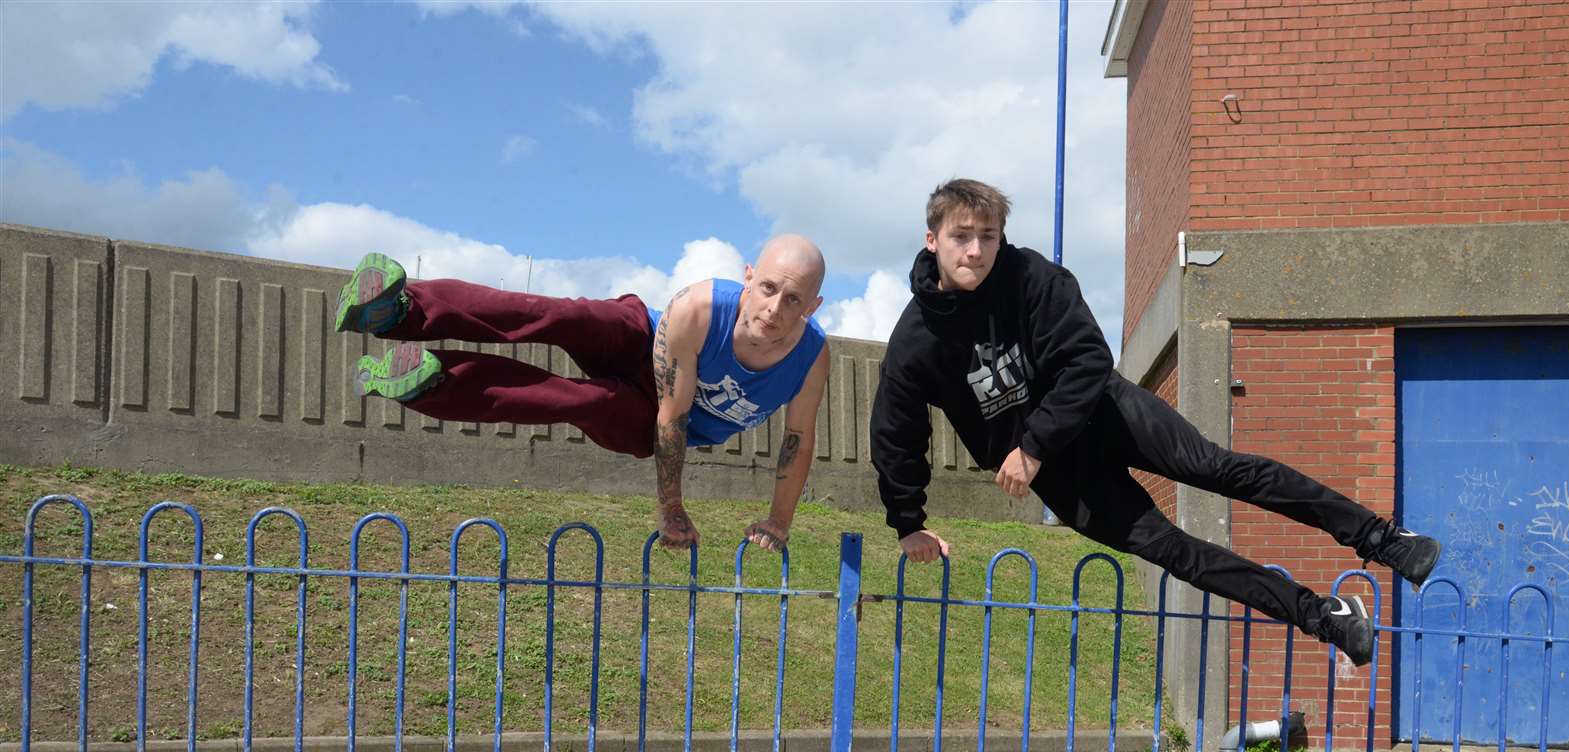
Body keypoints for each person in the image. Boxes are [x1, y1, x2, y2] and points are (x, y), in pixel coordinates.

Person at [868, 179, 1441, 666]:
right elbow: (895, 434)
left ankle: (1382, 539)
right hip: (1066, 475)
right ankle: (1327, 618)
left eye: (987, 237)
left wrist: (1033, 444)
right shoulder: (917, 341)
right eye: (960, 237)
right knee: (1176, 551)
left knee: (1217, 468)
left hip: (1103, 412)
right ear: (932, 240)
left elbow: (1089, 357)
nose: (974, 251)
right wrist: (907, 522)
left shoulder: (1028, 277)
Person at [332, 237, 831, 552]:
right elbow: (675, 412)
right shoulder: (700, 308)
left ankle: (431, 381)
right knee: (569, 318)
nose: (774, 309)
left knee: (584, 401)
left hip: (647, 417)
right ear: (748, 276)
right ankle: (399, 311)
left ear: (814, 304)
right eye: (767, 288)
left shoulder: (810, 359)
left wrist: (778, 520)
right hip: (648, 346)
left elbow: (798, 440)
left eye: (793, 300)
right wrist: (671, 507)